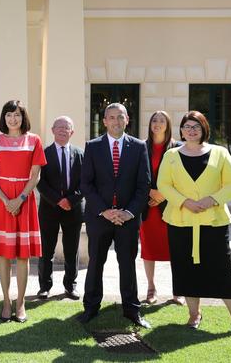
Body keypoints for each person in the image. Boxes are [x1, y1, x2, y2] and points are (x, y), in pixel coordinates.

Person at [157, 111, 231, 338]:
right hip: (180, 221)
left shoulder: (220, 153)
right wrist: (185, 202)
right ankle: (194, 314)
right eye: (187, 126)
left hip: (213, 221)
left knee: (223, 270)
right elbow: (164, 184)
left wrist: (211, 200)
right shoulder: (171, 155)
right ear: (181, 130)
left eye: (196, 126)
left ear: (204, 129)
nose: (191, 130)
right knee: (186, 268)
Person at [77, 102, 151, 328]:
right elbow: (86, 184)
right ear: (105, 121)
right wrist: (105, 211)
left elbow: (144, 184)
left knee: (127, 264)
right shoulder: (93, 146)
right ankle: (90, 308)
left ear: (127, 119)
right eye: (111, 117)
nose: (116, 121)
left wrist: (128, 213)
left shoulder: (139, 147)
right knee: (96, 263)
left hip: (128, 219)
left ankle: (132, 310)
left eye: (120, 117)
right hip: (100, 217)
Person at [0, 100, 46, 323]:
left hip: (24, 199)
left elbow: (36, 175)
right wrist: (5, 199)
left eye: (17, 114)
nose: (13, 119)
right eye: (9, 114)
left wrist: (19, 199)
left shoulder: (34, 140)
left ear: (23, 117)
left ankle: (21, 303)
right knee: (3, 254)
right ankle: (6, 302)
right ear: (4, 117)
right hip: (1, 200)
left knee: (22, 255)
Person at [36, 116, 83, 300]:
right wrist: (58, 200)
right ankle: (44, 287)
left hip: (74, 209)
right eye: (59, 127)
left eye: (67, 127)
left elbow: (85, 183)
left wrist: (70, 200)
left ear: (72, 132)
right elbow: (40, 182)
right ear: (53, 130)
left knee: (71, 250)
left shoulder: (80, 154)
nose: (63, 130)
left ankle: (70, 286)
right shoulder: (44, 154)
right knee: (47, 250)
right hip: (49, 208)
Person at [140, 111, 184, 305]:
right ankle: (151, 289)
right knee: (148, 248)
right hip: (148, 206)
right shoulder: (141, 147)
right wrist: (151, 192)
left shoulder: (177, 148)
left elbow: (182, 179)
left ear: (168, 125)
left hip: (171, 206)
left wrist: (163, 194)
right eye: (154, 120)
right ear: (150, 125)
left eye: (162, 121)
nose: (157, 124)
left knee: (175, 248)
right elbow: (136, 175)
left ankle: (178, 291)